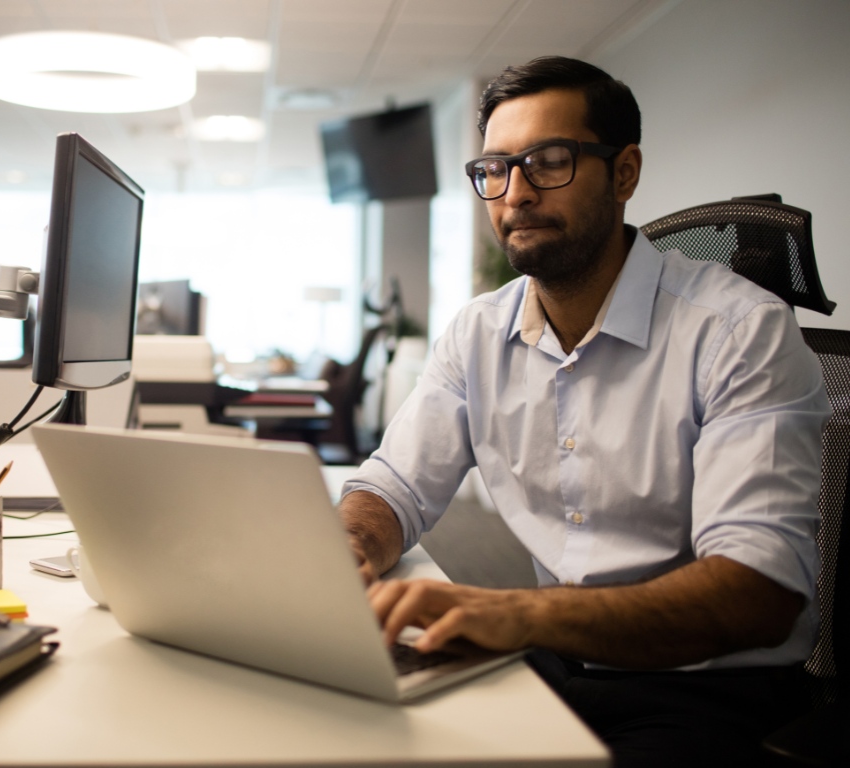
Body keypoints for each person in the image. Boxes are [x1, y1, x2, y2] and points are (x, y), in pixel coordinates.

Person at [338, 56, 831, 767]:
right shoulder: (478, 332)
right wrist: (351, 545)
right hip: (558, 661)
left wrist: (518, 614)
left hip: (711, 688)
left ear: (624, 173)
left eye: (550, 161)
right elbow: (391, 485)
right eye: (496, 169)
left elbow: (756, 591)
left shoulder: (739, 332)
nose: (516, 193)